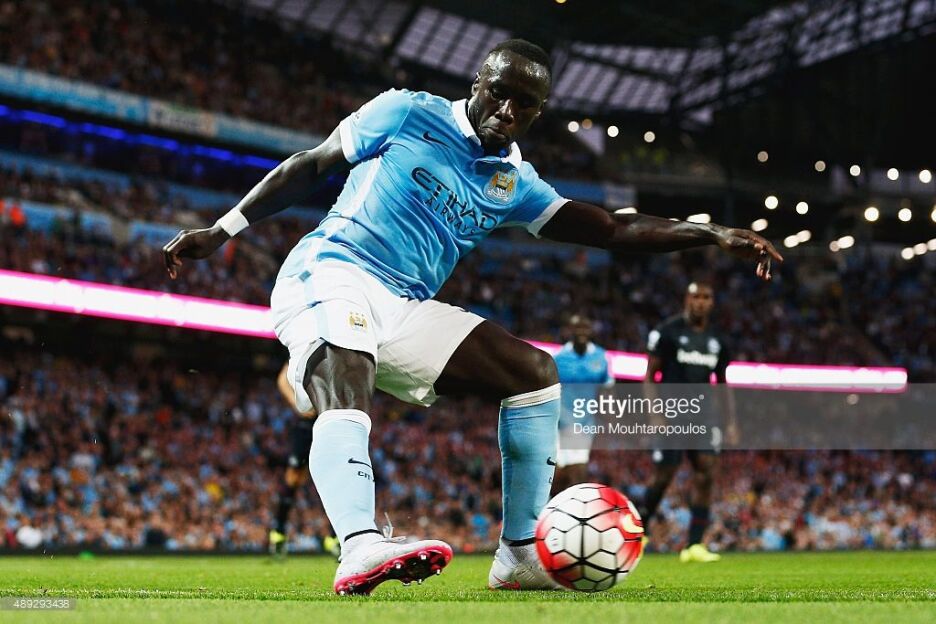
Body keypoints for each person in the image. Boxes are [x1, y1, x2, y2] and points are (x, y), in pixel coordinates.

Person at [163, 39, 780, 595]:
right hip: (333, 269)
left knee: (534, 374)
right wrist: (223, 229)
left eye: (524, 105)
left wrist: (709, 233)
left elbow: (612, 229)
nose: (507, 111)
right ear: (478, 83)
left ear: (537, 113)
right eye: (500, 93)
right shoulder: (407, 111)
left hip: (404, 305)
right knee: (347, 375)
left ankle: (519, 555)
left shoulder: (514, 181)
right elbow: (313, 162)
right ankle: (358, 545)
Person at [639, 281, 734, 563]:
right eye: (696, 297)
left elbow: (722, 383)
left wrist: (730, 421)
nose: (701, 302)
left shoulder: (717, 339)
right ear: (687, 300)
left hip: (704, 416)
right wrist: (655, 413)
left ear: (712, 302)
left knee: (706, 474)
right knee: (664, 475)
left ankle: (694, 545)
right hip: (672, 414)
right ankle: (639, 533)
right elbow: (649, 376)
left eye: (706, 297)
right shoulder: (667, 332)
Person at [268, 364, 341, 559]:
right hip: (306, 425)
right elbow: (282, 378)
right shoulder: (302, 349)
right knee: (294, 477)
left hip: (330, 421)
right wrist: (296, 403)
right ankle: (279, 532)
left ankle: (335, 537)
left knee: (334, 478)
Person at [551, 314, 614, 493]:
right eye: (577, 328)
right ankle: (550, 506)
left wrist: (607, 421)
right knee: (558, 477)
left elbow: (607, 390)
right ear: (570, 331)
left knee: (577, 475)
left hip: (584, 425)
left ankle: (568, 509)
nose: (581, 332)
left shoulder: (601, 357)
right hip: (559, 425)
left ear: (591, 331)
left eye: (585, 328)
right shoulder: (559, 358)